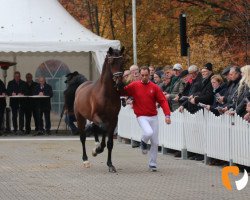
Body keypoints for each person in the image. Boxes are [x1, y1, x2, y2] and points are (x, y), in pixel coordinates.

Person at [122, 66, 171, 172]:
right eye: (142, 75)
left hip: (153, 116)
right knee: (148, 132)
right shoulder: (134, 85)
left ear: (149, 75)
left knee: (155, 142)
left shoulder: (155, 87)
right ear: (140, 75)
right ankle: (143, 142)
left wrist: (167, 115)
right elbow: (123, 91)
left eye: (146, 75)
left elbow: (163, 101)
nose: (144, 77)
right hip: (141, 116)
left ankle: (152, 164)